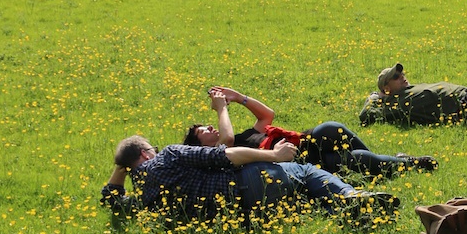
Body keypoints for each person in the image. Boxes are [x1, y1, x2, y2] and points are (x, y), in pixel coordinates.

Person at [100, 135, 398, 227]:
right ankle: (351, 197)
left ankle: (348, 215)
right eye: (150, 148)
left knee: (303, 194)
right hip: (249, 182)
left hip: (241, 215)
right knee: (306, 171)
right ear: (145, 153)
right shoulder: (169, 155)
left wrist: (123, 167)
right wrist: (274, 154)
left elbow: (110, 199)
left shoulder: (144, 197)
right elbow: (226, 155)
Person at [183, 86, 437, 178]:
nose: (211, 126)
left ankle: (394, 162)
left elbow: (267, 116)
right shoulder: (222, 156)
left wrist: (239, 98)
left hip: (305, 144)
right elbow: (226, 140)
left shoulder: (243, 138)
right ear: (199, 145)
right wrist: (221, 108)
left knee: (330, 129)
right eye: (204, 130)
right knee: (352, 161)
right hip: (301, 163)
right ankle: (409, 164)